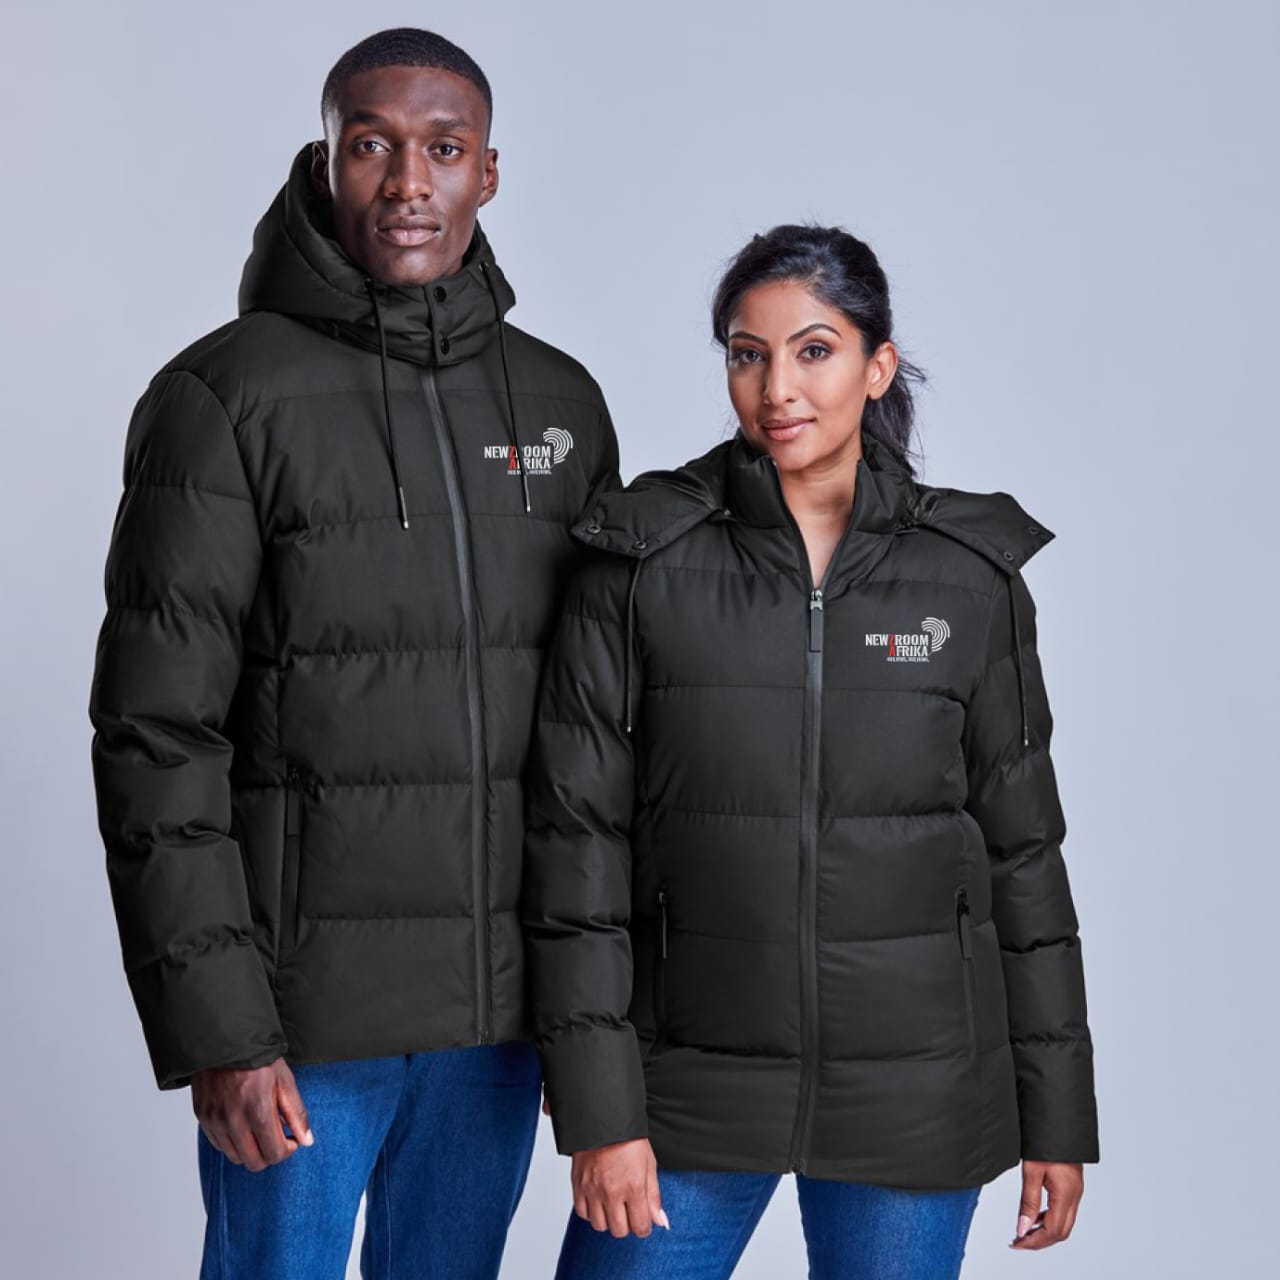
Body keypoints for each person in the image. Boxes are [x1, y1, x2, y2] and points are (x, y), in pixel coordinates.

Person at [88, 27, 620, 1280]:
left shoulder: (559, 406)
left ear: (489, 172)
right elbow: (156, 733)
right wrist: (221, 1028)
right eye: (371, 145)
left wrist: (591, 1019)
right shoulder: (220, 399)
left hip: (496, 1022)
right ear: (325, 161)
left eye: (443, 148)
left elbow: (602, 735)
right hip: (300, 1027)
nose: (407, 183)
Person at [523, 224, 1100, 1279]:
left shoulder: (968, 580)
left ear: (877, 366)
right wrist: (599, 1106)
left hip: (916, 1093)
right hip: (687, 1084)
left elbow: (1023, 858)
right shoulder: (639, 565)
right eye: (747, 354)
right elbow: (576, 846)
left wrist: (1056, 1116)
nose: (776, 387)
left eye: (814, 350)